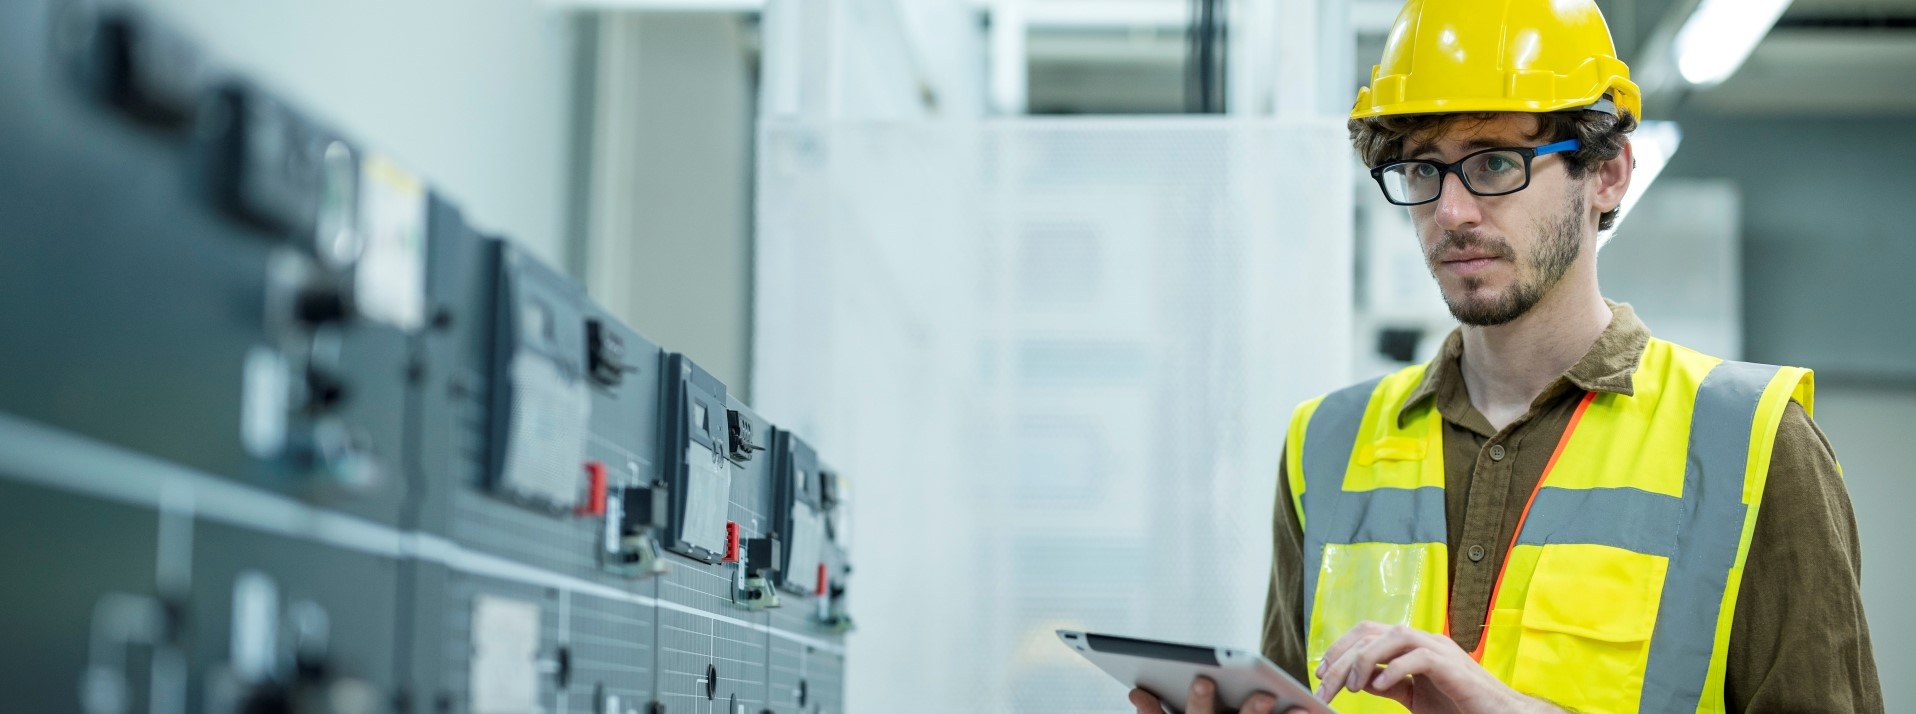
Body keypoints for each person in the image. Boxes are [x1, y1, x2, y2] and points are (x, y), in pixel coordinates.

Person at [1128, 0, 1882, 712]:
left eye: (1494, 162)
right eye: (1424, 168)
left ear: (1609, 171)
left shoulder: (1753, 445)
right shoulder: (1324, 448)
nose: (1451, 212)